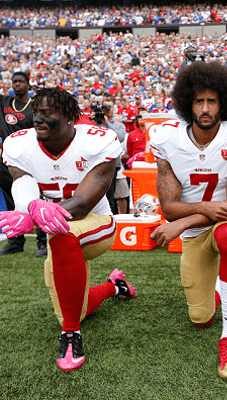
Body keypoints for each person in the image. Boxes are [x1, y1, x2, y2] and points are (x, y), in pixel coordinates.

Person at [0, 87, 136, 372]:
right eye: (36, 113)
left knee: (62, 236)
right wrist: (27, 206)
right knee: (76, 308)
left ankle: (71, 336)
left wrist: (35, 214)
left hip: (96, 226)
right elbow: (22, 179)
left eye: (47, 114)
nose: (38, 119)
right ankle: (115, 286)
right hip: (58, 233)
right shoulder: (18, 144)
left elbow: (84, 204)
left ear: (71, 117)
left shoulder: (96, 142)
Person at [149, 61, 227, 379]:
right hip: (195, 233)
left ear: (224, 102)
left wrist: (185, 221)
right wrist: (193, 216)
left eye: (212, 100)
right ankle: (216, 292)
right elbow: (170, 207)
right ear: (187, 103)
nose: (205, 107)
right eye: (199, 100)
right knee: (200, 318)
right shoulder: (166, 139)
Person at [0, 71, 47, 257]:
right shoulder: (4, 103)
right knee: (12, 199)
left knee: (37, 200)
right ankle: (16, 241)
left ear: (28, 84)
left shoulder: (34, 107)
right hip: (7, 161)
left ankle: (43, 242)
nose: (17, 84)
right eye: (14, 82)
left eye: (20, 81)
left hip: (30, 160)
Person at [90, 93, 126, 215]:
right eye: (105, 107)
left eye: (109, 107)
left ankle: (111, 223)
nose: (107, 110)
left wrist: (107, 123)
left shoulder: (118, 125)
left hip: (112, 163)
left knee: (110, 196)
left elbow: (120, 137)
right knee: (95, 194)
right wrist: (92, 121)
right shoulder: (94, 123)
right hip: (95, 162)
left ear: (114, 109)